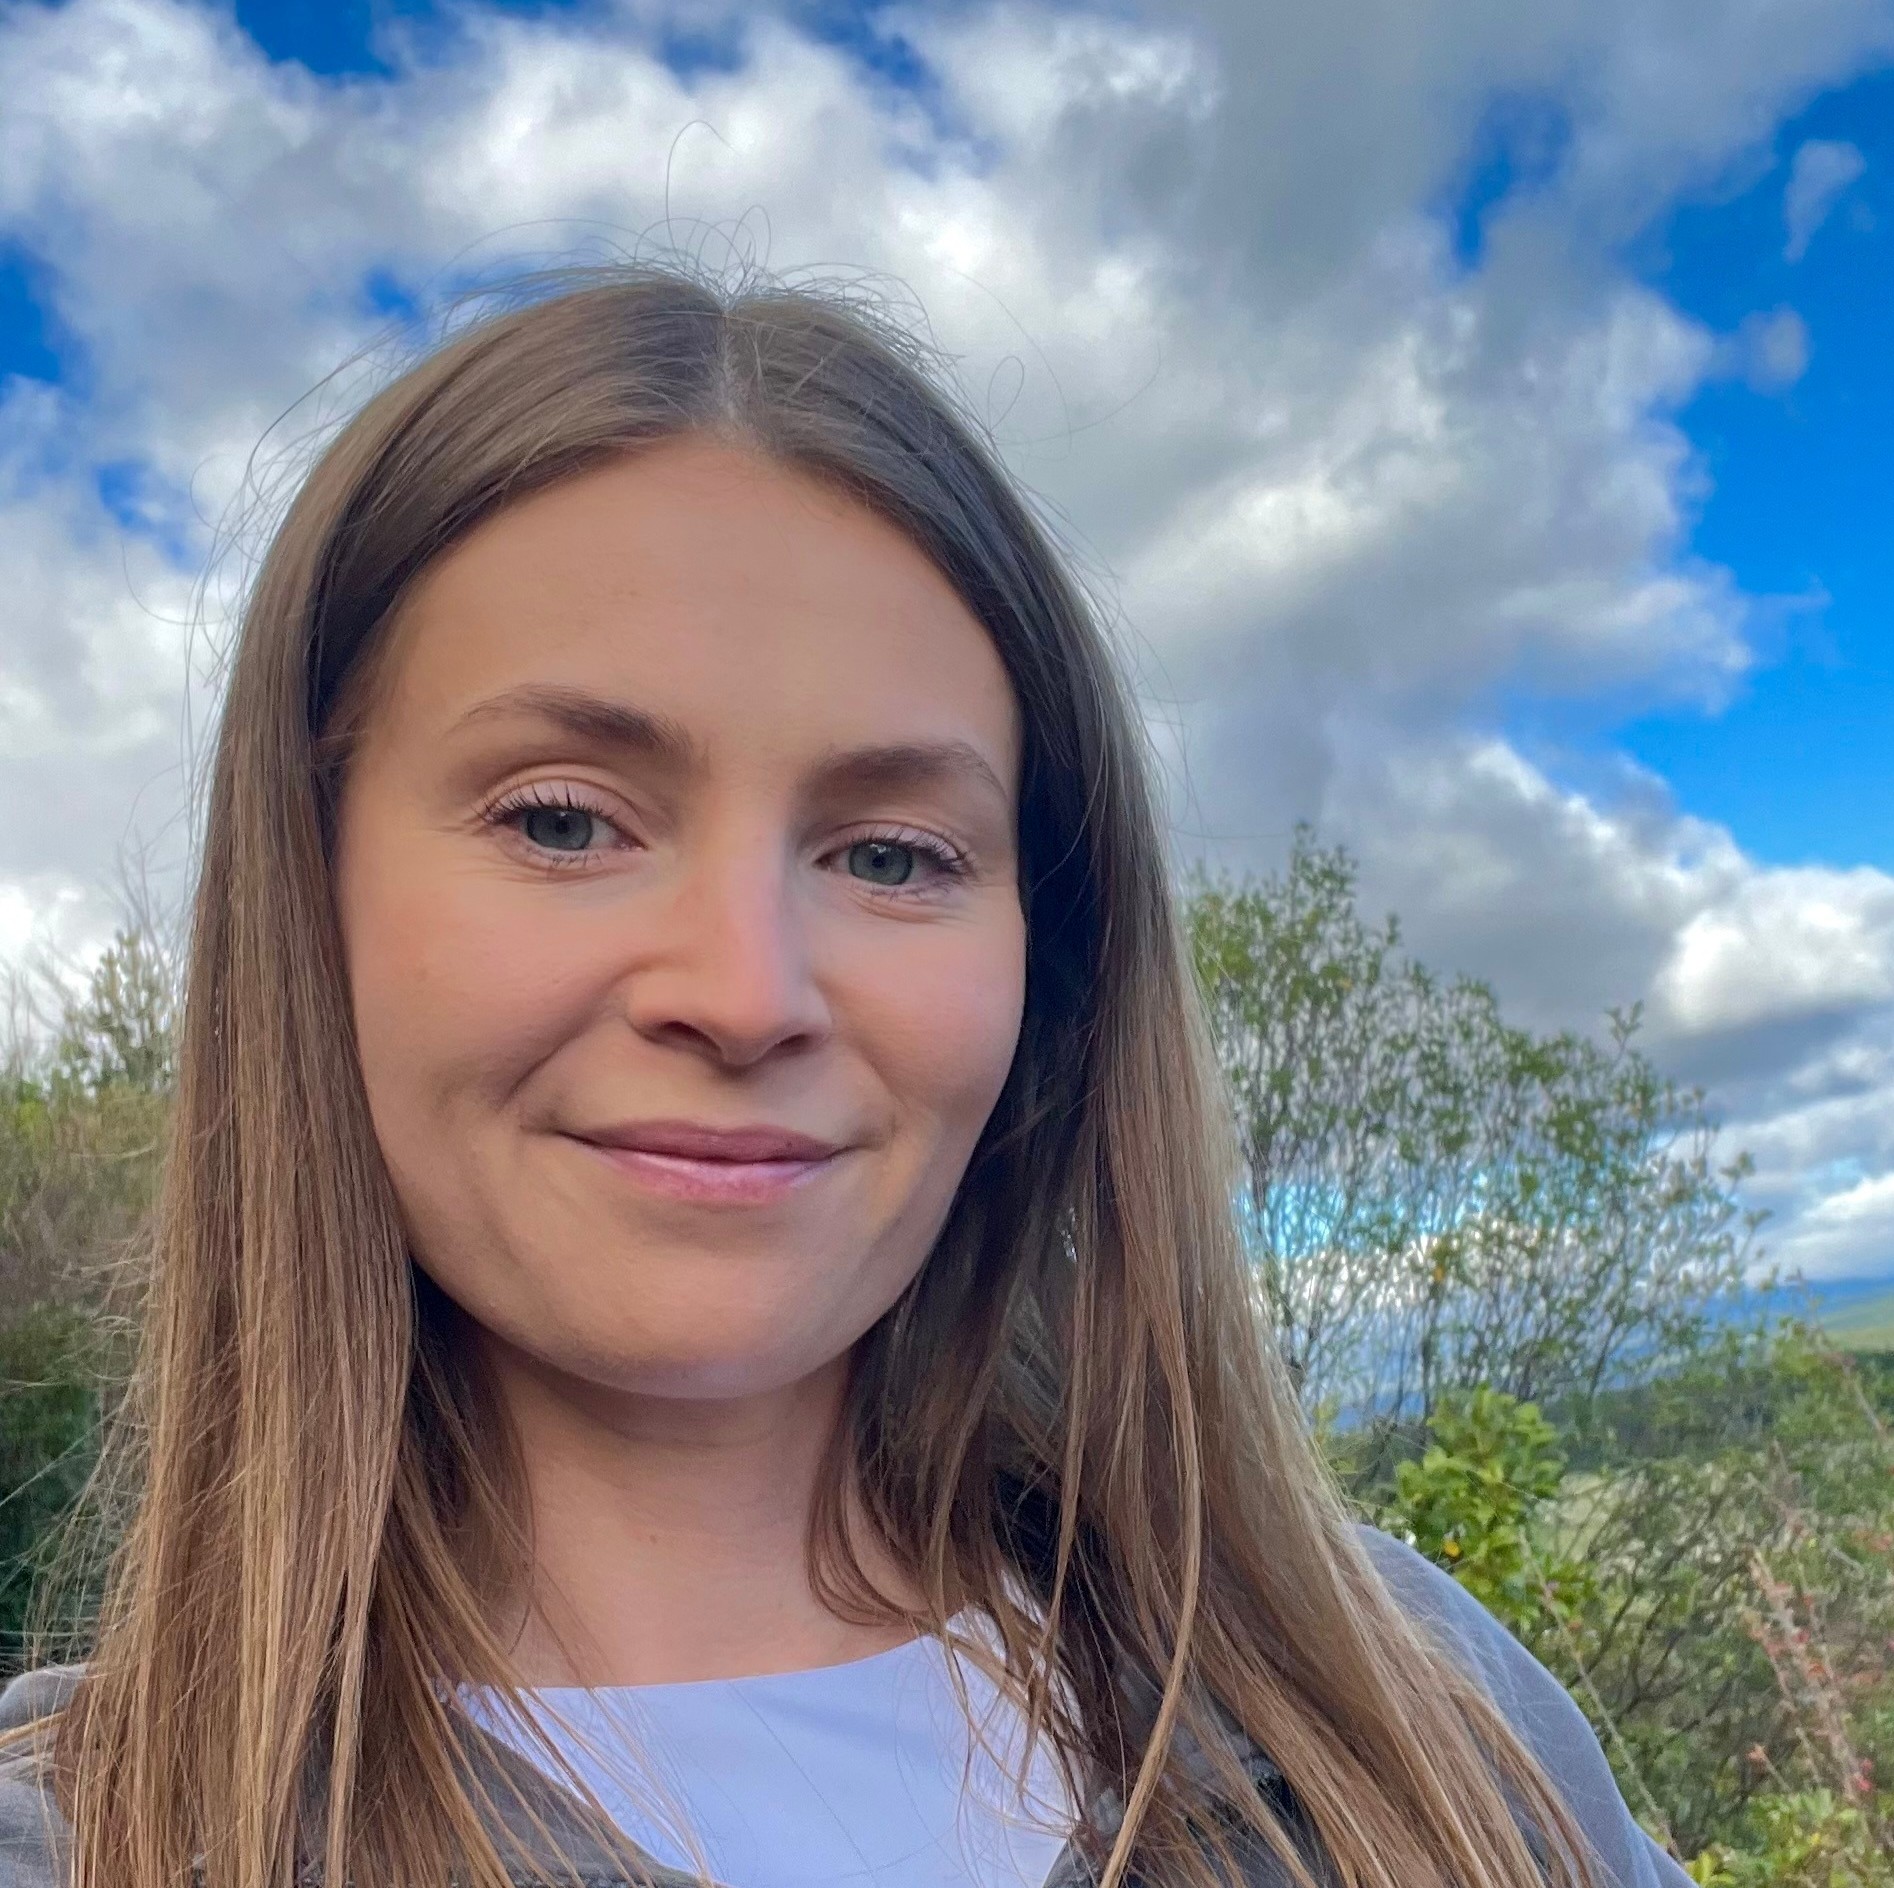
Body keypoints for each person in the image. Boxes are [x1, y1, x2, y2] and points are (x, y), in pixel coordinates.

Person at [0, 268, 1692, 1888]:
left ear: (1047, 964)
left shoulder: (1397, 1707)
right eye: (564, 820)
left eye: (889, 855)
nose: (746, 994)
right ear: (307, 901)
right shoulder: (89, 1843)